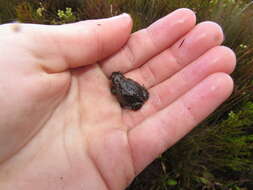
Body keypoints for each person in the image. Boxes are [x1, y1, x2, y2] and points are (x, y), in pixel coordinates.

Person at [0, 8, 236, 190]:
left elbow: (122, 91)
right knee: (136, 95)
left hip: (135, 94)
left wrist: (127, 93)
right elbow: (122, 88)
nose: (115, 81)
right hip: (135, 92)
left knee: (135, 96)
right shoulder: (117, 84)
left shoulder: (116, 86)